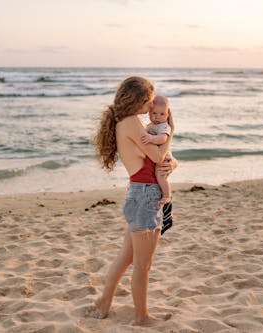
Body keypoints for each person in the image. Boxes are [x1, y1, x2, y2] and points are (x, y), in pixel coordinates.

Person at [91, 76, 177, 325]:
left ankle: (104, 302)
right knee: (142, 265)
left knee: (127, 257)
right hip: (146, 196)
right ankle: (142, 317)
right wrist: (172, 129)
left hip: (138, 193)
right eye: (149, 101)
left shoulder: (126, 122)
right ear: (139, 99)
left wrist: (172, 163)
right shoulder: (132, 123)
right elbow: (160, 156)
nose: (151, 107)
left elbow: (164, 161)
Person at [141, 95, 173, 206]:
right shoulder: (150, 125)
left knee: (161, 175)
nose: (157, 117)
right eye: (154, 113)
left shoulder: (164, 126)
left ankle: (167, 195)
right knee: (157, 176)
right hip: (157, 155)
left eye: (162, 114)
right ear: (149, 113)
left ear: (167, 114)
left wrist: (151, 138)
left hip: (164, 157)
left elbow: (163, 138)